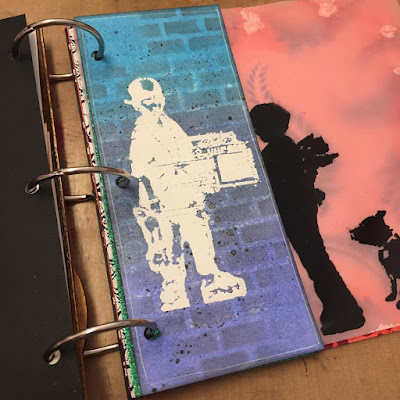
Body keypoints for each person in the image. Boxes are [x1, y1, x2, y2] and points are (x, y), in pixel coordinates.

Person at [125, 77, 247, 312]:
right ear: (136, 105)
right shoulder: (141, 133)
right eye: (147, 101)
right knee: (169, 243)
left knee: (200, 233)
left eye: (156, 99)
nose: (154, 105)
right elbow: (140, 172)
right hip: (163, 197)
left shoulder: (170, 124)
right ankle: (174, 288)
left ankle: (210, 277)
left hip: (187, 194)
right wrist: (154, 201)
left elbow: (188, 154)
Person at [250, 103, 365, 335]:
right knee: (316, 262)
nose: (258, 131)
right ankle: (341, 311)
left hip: (296, 214)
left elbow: (285, 185)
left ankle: (345, 312)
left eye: (260, 125)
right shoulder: (284, 147)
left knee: (316, 263)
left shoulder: (278, 150)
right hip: (299, 212)